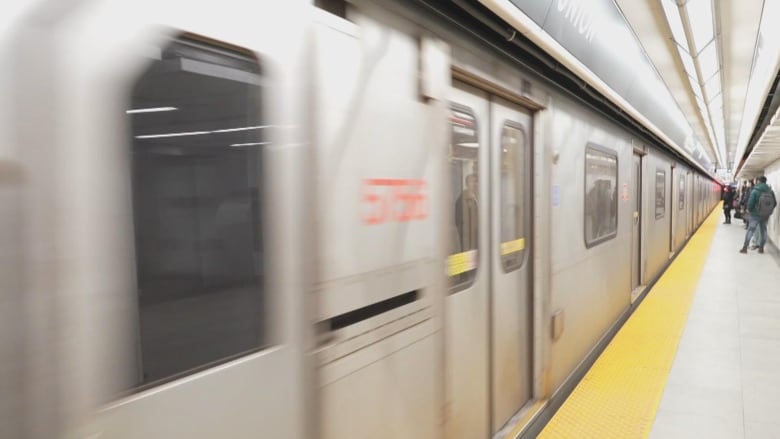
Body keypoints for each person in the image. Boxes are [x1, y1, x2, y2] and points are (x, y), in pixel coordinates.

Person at [740, 176, 777, 254]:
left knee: (751, 230)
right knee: (763, 231)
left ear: (758, 181)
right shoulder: (770, 191)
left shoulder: (755, 190)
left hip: (755, 215)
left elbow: (750, 203)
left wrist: (749, 210)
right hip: (765, 215)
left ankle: (745, 247)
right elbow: (775, 203)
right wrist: (768, 211)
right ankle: (761, 248)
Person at [455, 174, 478, 251]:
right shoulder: (463, 200)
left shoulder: (475, 197)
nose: (475, 184)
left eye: (476, 182)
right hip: (469, 241)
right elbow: (459, 222)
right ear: (467, 184)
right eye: (472, 182)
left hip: (476, 238)